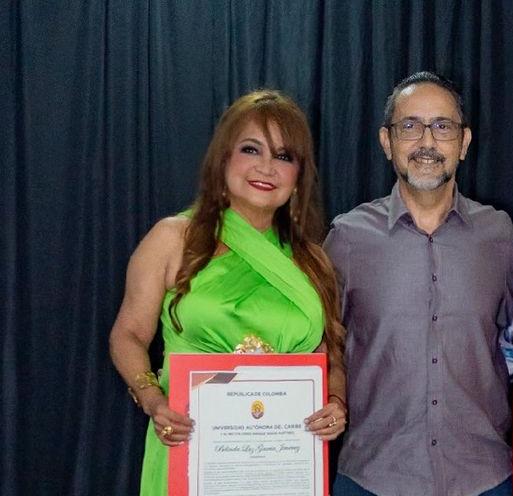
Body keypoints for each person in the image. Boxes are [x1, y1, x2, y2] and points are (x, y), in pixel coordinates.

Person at [107, 89, 348, 495]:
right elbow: (127, 335)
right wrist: (152, 399)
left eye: (284, 156)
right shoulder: (172, 239)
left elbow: (330, 359)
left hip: (283, 465)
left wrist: (336, 405)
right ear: (224, 159)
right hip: (190, 449)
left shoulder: (312, 259)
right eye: (252, 149)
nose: (267, 167)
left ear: (298, 176)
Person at [326, 72, 513, 496]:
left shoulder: (499, 234)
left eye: (443, 126)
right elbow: (324, 343)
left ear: (464, 143)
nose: (427, 142)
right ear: (386, 141)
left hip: (485, 476)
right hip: (371, 477)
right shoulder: (347, 237)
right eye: (410, 126)